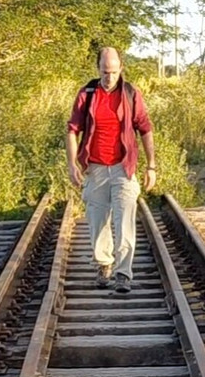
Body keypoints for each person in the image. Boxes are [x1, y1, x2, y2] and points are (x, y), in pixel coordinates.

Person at [66, 47, 156, 294]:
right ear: (98, 69)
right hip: (95, 167)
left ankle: (123, 273)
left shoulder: (130, 94)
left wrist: (151, 165)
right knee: (97, 221)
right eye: (105, 72)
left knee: (124, 218)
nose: (109, 77)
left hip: (123, 168)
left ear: (121, 68)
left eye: (114, 72)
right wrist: (72, 163)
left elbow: (145, 128)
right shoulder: (87, 93)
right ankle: (104, 263)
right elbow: (73, 129)